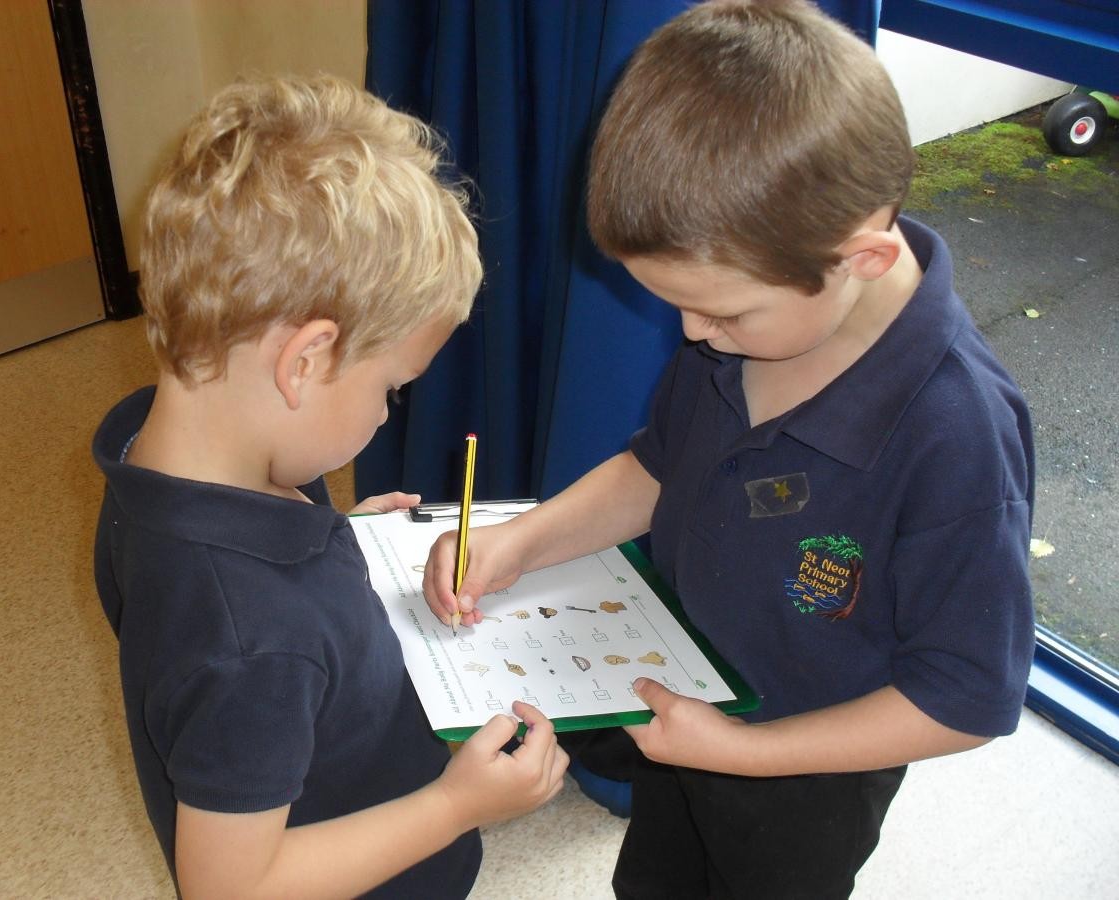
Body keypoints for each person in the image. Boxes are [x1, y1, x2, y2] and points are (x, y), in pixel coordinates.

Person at [423, 2, 1035, 897]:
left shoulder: (960, 437)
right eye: (678, 304)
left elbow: (966, 698)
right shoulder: (740, 326)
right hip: (687, 699)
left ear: (861, 259)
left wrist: (748, 752)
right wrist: (519, 541)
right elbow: (656, 466)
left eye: (720, 311)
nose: (692, 334)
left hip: (805, 775)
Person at [92, 73, 567, 900]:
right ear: (305, 362)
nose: (387, 415)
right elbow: (232, 888)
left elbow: (233, 597)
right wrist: (456, 806)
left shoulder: (160, 463)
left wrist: (340, 542)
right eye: (391, 389)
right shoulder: (252, 645)